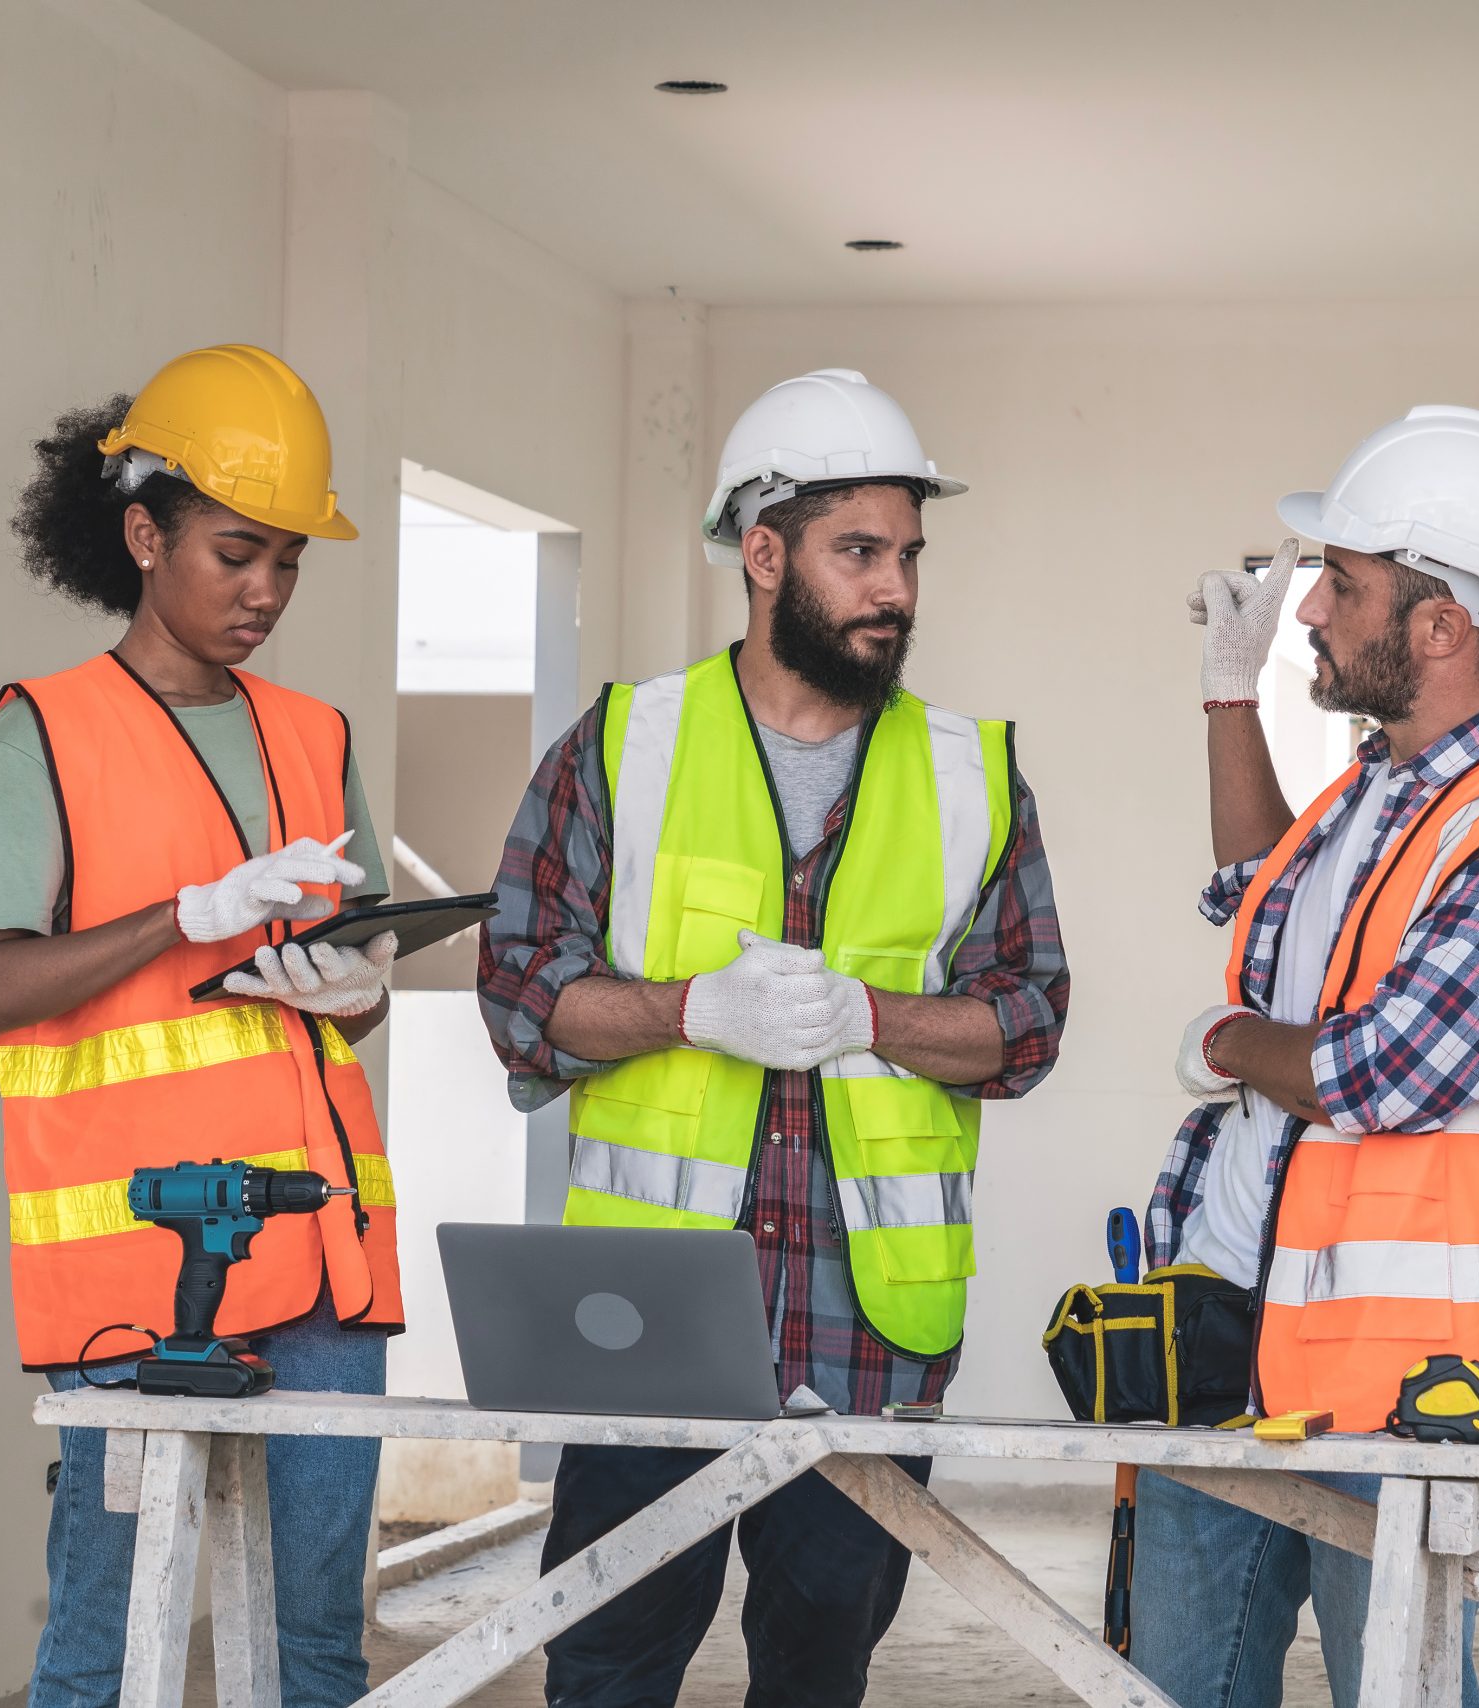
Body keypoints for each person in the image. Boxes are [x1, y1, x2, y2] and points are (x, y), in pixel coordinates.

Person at [477, 368, 1071, 1708]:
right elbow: (520, 988)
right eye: (858, 552)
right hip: (650, 1326)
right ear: (763, 554)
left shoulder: (973, 774)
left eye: (909, 556)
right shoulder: (624, 746)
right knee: (610, 1673)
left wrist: (877, 1018)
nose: (896, 590)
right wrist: (690, 1009)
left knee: (818, 1682)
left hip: (873, 1335)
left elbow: (1029, 1021)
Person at [1132, 406, 1479, 1708]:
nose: (1311, 611)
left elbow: (1384, 1073)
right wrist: (1226, 692)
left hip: (1405, 1384)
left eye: (1343, 587)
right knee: (1173, 1689)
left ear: (1439, 629)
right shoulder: (1382, 790)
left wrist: (1226, 1041)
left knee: (1398, 1694)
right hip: (1234, 1336)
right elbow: (1256, 887)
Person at [0, 344, 403, 1708]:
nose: (266, 591)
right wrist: (180, 916)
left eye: (290, 563)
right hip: (148, 1270)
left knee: (318, 1645)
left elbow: (345, 976)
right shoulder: (49, 730)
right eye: (235, 552)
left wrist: (357, 991)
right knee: (105, 1642)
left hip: (322, 1252)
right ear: (145, 535)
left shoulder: (313, 735)